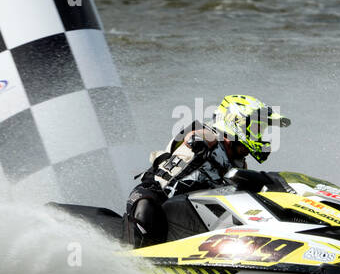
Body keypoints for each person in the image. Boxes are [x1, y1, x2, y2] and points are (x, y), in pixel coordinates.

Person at [123, 94, 290, 248]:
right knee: (147, 211)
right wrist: (197, 141)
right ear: (235, 121)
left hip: (185, 214)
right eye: (256, 130)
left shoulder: (240, 166)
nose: (258, 136)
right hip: (154, 196)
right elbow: (195, 136)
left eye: (260, 132)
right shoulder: (210, 137)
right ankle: (133, 262)